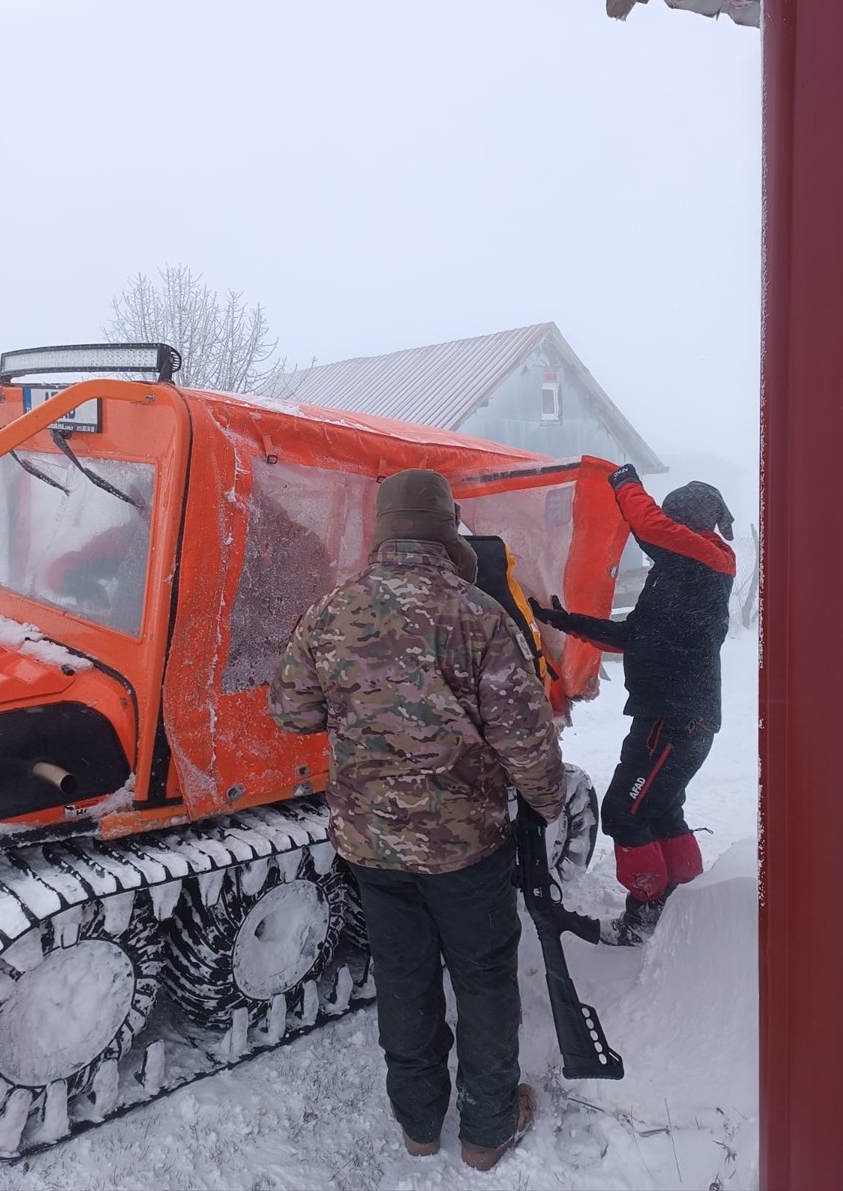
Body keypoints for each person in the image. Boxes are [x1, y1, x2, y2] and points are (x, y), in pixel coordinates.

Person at [269, 469, 566, 1171]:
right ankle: (488, 1131)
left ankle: (419, 1124)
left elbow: (290, 713)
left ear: (382, 532)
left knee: (404, 980)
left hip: (371, 846)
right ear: (444, 529)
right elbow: (526, 737)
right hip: (467, 850)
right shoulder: (478, 615)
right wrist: (547, 803)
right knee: (485, 980)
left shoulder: (331, 612)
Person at [529, 464, 735, 945]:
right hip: (672, 717)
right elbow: (634, 637)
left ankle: (641, 921)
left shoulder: (707, 559)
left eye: (672, 520)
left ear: (687, 524)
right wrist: (564, 621)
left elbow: (649, 527)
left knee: (624, 813)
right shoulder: (679, 577)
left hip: (674, 720)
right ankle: (684, 908)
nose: (664, 529)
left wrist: (624, 483)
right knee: (661, 811)